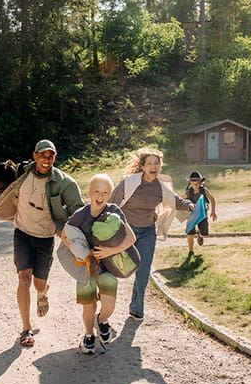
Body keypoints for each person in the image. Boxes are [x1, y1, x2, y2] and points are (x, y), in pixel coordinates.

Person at [0, 139, 84, 347]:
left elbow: (78, 210)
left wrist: (67, 230)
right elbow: (2, 185)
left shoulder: (63, 182)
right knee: (24, 278)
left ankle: (43, 292)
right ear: (34, 155)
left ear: (55, 158)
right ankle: (26, 329)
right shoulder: (22, 174)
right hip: (22, 233)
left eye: (51, 156)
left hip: (45, 238)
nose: (46, 159)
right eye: (42, 155)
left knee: (38, 283)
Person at [109, 148, 193, 321]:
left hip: (147, 231)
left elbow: (174, 201)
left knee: (143, 271)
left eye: (157, 163)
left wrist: (189, 205)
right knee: (114, 268)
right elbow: (111, 203)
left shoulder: (161, 186)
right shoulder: (129, 182)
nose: (154, 166)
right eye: (150, 163)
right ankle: (103, 306)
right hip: (126, 231)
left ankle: (136, 309)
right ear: (142, 166)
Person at [63, 174, 136, 354]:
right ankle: (88, 336)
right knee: (89, 306)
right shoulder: (80, 216)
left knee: (109, 305)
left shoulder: (115, 212)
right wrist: (83, 253)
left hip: (108, 267)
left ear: (109, 195)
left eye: (105, 192)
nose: (100, 196)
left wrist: (110, 251)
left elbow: (131, 238)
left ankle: (102, 321)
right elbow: (65, 236)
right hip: (86, 269)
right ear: (89, 193)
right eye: (96, 191)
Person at [185, 171, 217, 256]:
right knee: (190, 233)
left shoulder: (204, 190)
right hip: (191, 215)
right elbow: (181, 199)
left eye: (197, 183)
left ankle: (200, 235)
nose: (195, 185)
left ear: (200, 182)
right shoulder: (189, 192)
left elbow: (212, 199)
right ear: (190, 183)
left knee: (204, 233)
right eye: (193, 183)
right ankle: (190, 251)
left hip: (202, 214)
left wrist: (213, 212)